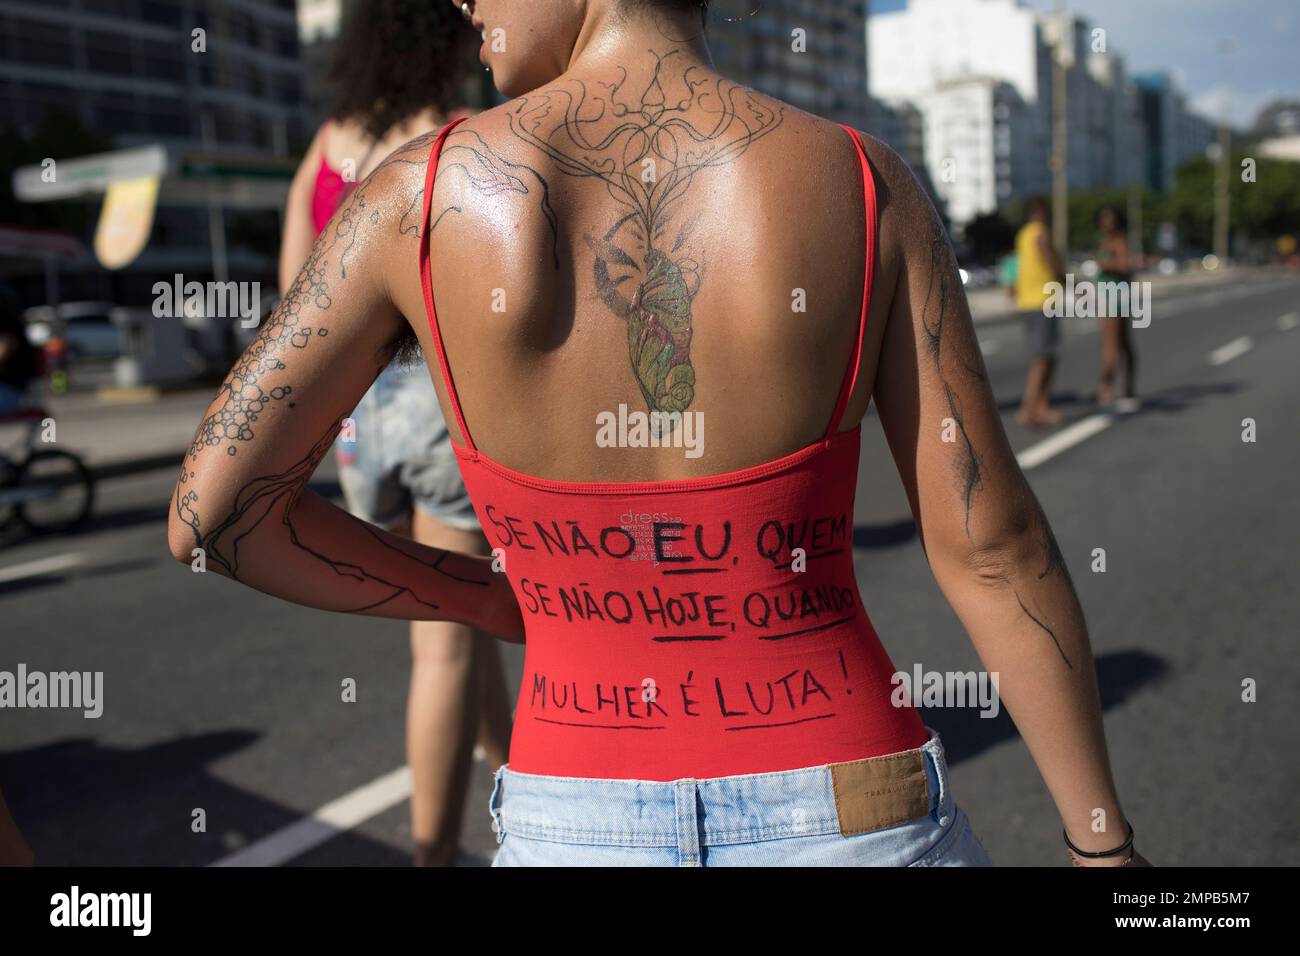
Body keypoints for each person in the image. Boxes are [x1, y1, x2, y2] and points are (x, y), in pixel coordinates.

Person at [171, 0, 1147, 867]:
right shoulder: (858, 182)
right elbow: (993, 547)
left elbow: (212, 514)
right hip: (851, 805)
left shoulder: (413, 200)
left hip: (572, 819)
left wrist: (494, 597)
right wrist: (1099, 840)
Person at [278, 0, 512, 867]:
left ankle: (521, 773)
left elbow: (297, 296)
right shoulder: (464, 135)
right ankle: (434, 859)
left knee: (448, 606)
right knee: (445, 644)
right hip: (437, 401)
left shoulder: (333, 142)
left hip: (355, 416)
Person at [1014, 196, 1065, 427]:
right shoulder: (1039, 232)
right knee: (1043, 357)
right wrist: (1064, 279)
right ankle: (1031, 408)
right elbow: (1049, 259)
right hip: (1043, 300)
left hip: (1029, 301)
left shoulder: (1022, 234)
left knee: (1046, 355)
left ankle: (1040, 406)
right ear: (1041, 212)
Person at [1095, 205, 1139, 412]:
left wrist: (1105, 264)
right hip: (1110, 296)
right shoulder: (1106, 241)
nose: (1106, 224)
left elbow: (1125, 266)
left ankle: (1106, 390)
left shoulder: (1119, 241)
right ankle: (1127, 387)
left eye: (1109, 219)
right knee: (1123, 344)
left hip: (1115, 298)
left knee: (1111, 347)